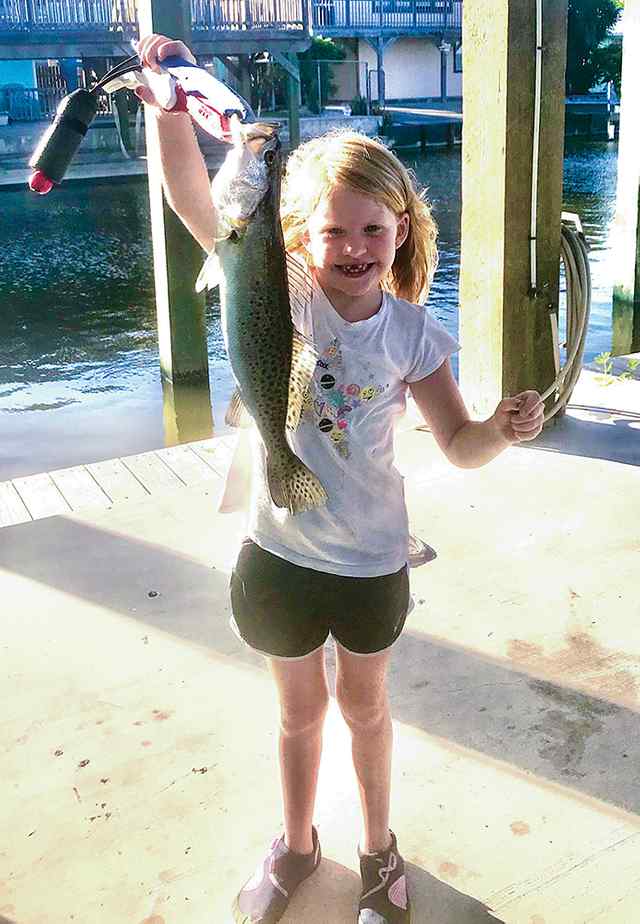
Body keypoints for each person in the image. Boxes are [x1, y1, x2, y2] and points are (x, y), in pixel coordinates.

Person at [135, 34, 545, 924]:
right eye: (333, 230)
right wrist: (168, 114)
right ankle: (298, 844)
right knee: (296, 716)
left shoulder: (413, 336)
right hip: (276, 551)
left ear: (401, 229)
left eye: (372, 228)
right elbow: (197, 204)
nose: (354, 246)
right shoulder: (278, 288)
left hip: (368, 560)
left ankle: (376, 849)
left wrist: (500, 434)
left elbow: (460, 445)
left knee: (365, 711)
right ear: (299, 237)